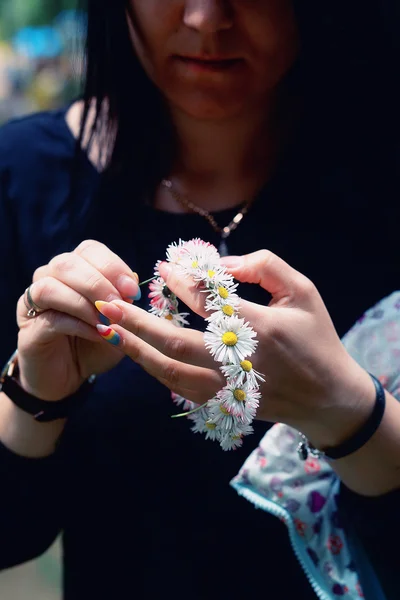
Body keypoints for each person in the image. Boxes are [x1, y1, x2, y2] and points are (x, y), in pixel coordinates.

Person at [0, 1, 399, 599]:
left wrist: (346, 410)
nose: (207, 19)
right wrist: (34, 395)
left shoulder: (381, 180)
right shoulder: (22, 177)